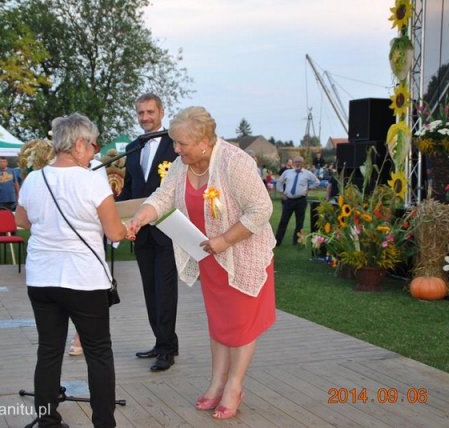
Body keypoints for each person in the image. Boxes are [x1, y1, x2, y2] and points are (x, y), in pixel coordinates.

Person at [128, 106, 276, 420]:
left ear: (204, 141)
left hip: (242, 255)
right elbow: (163, 196)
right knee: (220, 325)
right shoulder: (182, 166)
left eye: (181, 143)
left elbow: (261, 210)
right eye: (174, 142)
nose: (176, 148)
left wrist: (225, 240)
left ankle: (234, 386)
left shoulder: (235, 163)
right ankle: (216, 383)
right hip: (210, 259)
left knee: (241, 325)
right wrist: (142, 215)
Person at [15, 113, 128, 428]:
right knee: (98, 352)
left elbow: (21, 221)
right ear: (78, 144)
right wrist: (128, 229)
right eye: (92, 145)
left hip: (41, 277)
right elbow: (115, 233)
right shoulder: (93, 179)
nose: (94, 152)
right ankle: (104, 422)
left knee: (48, 350)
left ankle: (47, 420)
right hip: (84, 278)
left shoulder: (34, 178)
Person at [117, 93, 179, 372]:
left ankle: (166, 350)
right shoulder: (131, 148)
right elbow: (129, 190)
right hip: (140, 232)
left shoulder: (175, 146)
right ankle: (162, 340)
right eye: (141, 113)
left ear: (161, 112)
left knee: (165, 290)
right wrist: (123, 220)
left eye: (150, 112)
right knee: (149, 289)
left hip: (167, 228)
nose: (145, 118)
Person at [275, 155, 320, 246]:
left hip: (301, 201)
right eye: (296, 162)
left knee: (299, 222)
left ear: (303, 163)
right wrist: (281, 193)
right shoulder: (287, 172)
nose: (298, 163)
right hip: (288, 201)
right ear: (293, 163)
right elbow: (279, 182)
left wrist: (309, 188)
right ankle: (277, 242)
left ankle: (296, 242)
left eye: (300, 161)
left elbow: (317, 182)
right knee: (283, 221)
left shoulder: (307, 173)